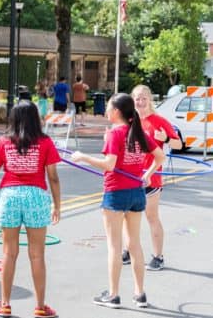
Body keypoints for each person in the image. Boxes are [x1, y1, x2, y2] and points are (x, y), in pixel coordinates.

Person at [71, 93, 164, 309]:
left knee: (115, 246)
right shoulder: (138, 132)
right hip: (136, 193)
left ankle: (113, 295)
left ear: (116, 112)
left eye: (108, 107)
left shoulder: (116, 133)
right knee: (134, 244)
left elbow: (109, 165)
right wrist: (148, 175)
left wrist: (82, 157)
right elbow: (160, 156)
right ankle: (139, 294)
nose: (105, 111)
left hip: (116, 192)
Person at [0, 101, 61, 318]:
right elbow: (53, 177)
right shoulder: (45, 142)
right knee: (37, 255)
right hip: (36, 197)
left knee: (9, 253)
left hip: (10, 196)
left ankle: (5, 304)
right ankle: (40, 306)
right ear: (36, 118)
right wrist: (57, 205)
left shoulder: (3, 141)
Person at [121, 85, 181, 270]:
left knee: (151, 217)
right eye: (137, 98)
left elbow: (178, 145)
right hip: (130, 176)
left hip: (151, 177)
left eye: (143, 98)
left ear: (150, 100)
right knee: (126, 216)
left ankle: (158, 256)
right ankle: (128, 250)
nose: (140, 102)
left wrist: (166, 138)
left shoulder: (159, 121)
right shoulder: (128, 121)